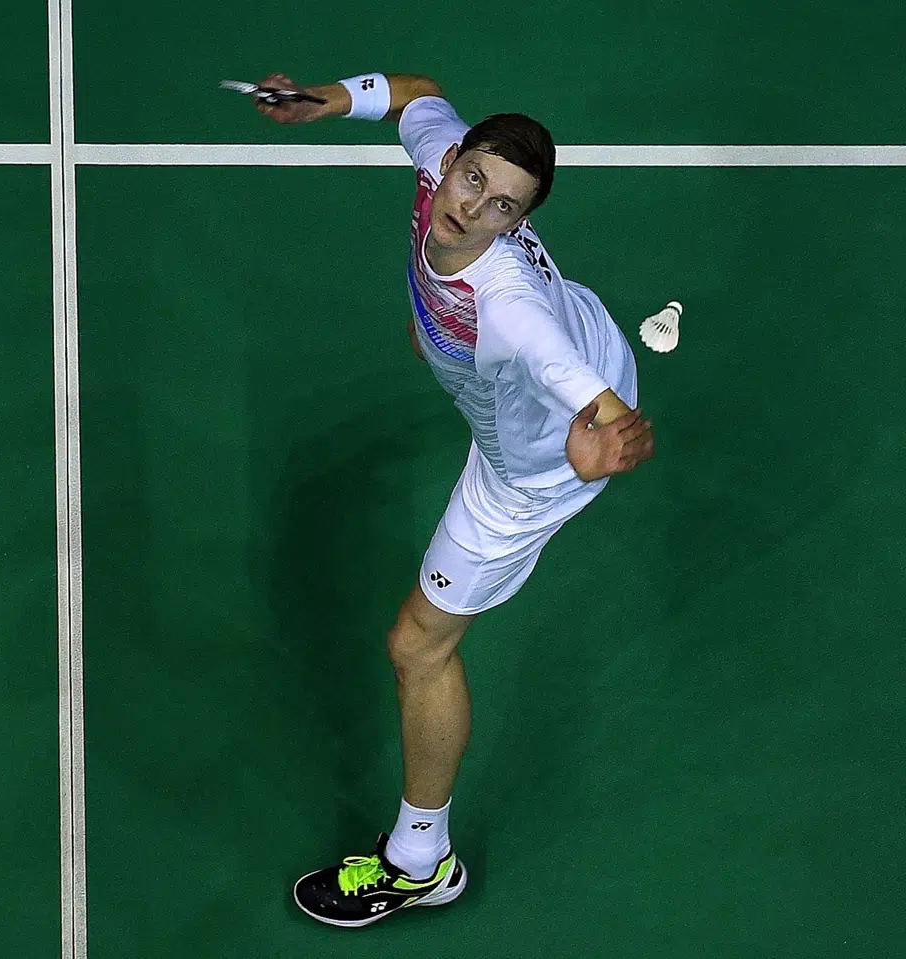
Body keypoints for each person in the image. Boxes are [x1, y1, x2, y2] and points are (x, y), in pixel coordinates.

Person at [252, 72, 657, 928]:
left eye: (504, 207)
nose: (472, 208)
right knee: (432, 329)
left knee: (416, 647)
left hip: (533, 461)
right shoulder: (439, 154)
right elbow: (417, 91)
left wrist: (596, 452)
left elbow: (626, 431)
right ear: (457, 159)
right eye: (474, 179)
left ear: (520, 222)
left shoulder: (512, 315)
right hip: (591, 329)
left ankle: (418, 860)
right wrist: (319, 101)